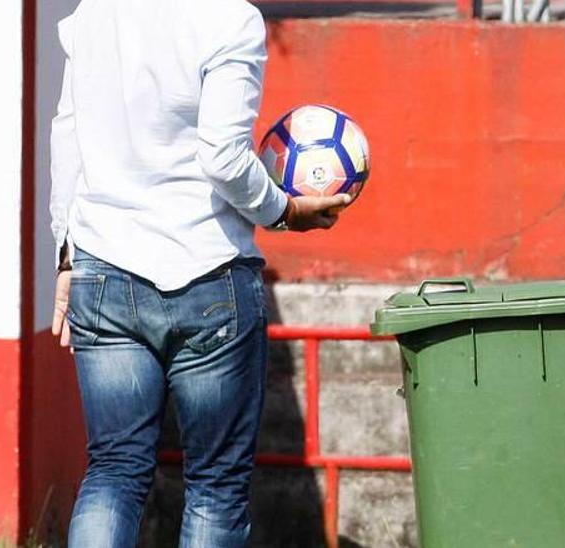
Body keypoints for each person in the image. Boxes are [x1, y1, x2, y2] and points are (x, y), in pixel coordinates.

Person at [48, 0, 349, 546]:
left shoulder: (96, 10)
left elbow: (68, 132)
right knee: (214, 487)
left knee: (113, 471)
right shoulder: (229, 18)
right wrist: (283, 211)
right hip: (208, 273)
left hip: (103, 265)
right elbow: (223, 157)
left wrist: (65, 255)